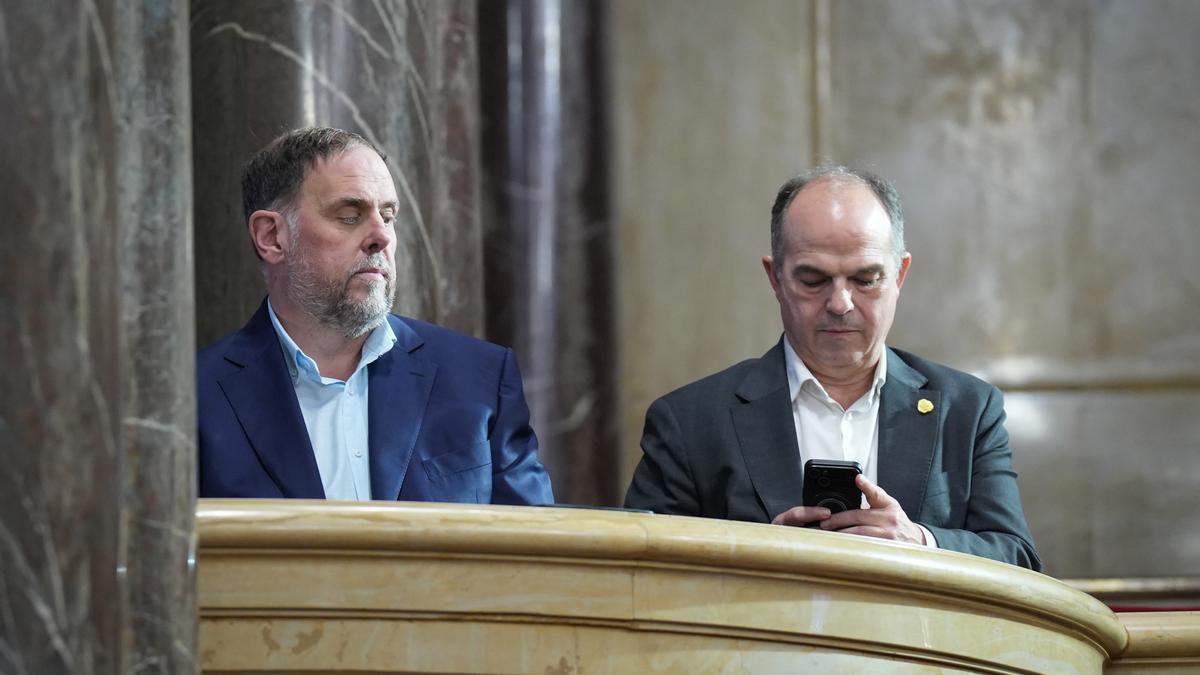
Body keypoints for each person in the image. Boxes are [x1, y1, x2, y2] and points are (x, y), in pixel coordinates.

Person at [624, 166, 1041, 571]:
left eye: (865, 279)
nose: (840, 304)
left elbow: (1017, 557)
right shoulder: (690, 422)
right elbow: (644, 573)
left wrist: (920, 541)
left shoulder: (967, 410)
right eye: (813, 280)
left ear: (900, 275)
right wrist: (760, 559)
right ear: (775, 278)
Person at [198, 127, 554, 505]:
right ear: (271, 236)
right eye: (350, 216)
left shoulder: (480, 381)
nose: (381, 236)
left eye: (387, 215)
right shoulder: (195, 400)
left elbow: (538, 553)